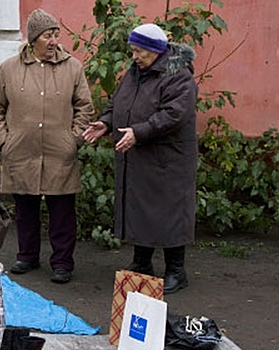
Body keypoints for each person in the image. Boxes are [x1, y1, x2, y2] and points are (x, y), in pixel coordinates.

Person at [83, 23, 198, 294]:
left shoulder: (179, 76)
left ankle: (176, 270)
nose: (134, 56)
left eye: (139, 51)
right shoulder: (135, 72)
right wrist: (106, 122)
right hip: (139, 154)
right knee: (141, 208)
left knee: (170, 211)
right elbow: (118, 102)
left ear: (156, 51)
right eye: (133, 50)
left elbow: (173, 115)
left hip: (169, 158)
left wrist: (140, 131)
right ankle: (142, 262)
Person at [0, 9, 94, 284]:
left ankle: (62, 263)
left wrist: (74, 139)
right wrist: (3, 141)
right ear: (34, 38)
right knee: (25, 209)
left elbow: (85, 107)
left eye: (56, 34)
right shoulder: (9, 68)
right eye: (48, 35)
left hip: (60, 152)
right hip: (21, 151)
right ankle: (27, 255)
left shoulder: (73, 67)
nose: (54, 40)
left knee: (62, 213)